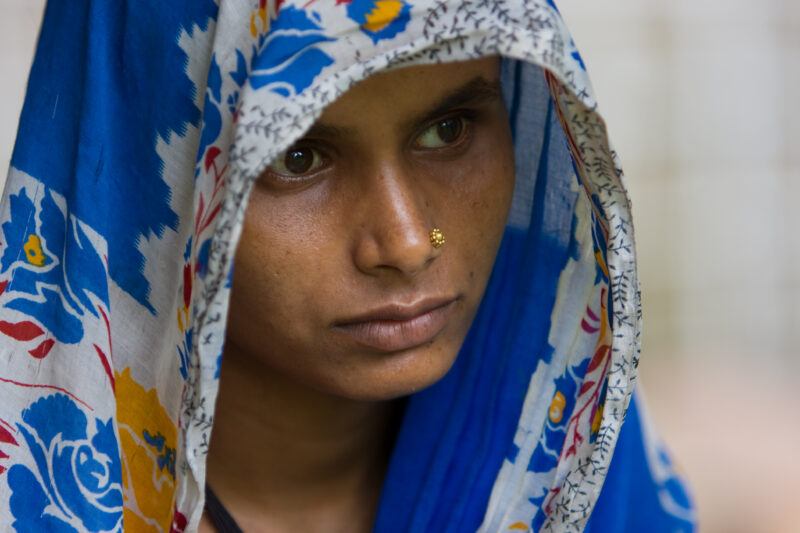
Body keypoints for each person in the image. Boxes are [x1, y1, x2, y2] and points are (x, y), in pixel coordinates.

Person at [0, 1, 694, 532]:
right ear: (149, 173)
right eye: (297, 157)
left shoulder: (556, 434)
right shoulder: (32, 481)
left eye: (447, 129)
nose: (407, 242)